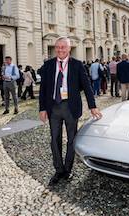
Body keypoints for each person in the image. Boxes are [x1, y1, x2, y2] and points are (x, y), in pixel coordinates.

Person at [39, 37, 102, 186]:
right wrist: (42, 108)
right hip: (53, 107)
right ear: (55, 48)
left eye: (63, 47)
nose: (60, 50)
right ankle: (58, 170)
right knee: (54, 139)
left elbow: (87, 86)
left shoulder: (77, 65)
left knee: (71, 140)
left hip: (70, 107)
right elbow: (43, 89)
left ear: (69, 49)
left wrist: (92, 106)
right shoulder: (48, 65)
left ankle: (68, 169)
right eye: (58, 47)